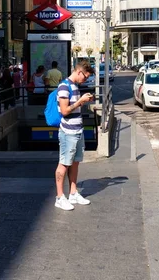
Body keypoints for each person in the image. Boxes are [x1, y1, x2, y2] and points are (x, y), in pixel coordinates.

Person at [55, 61, 95, 211]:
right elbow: (64, 111)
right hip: (68, 132)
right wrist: (80, 102)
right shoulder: (64, 86)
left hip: (78, 130)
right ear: (79, 72)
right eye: (85, 77)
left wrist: (83, 101)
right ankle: (59, 197)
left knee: (75, 162)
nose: (85, 80)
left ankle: (73, 193)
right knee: (64, 163)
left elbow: (73, 108)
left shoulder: (75, 86)